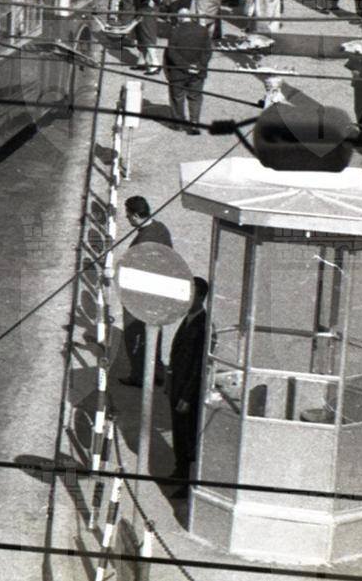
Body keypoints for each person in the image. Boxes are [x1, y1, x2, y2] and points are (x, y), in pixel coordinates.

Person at [120, 197, 174, 385]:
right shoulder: (161, 228)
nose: (127, 218)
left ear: (136, 216)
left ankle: (139, 376)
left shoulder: (144, 240)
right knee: (154, 335)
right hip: (160, 295)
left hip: (141, 297)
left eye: (128, 216)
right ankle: (156, 372)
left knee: (134, 335)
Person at [166, 278, 212, 497]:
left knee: (189, 437)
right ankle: (179, 470)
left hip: (188, 393)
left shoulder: (203, 325)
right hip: (177, 386)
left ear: (201, 297)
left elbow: (198, 366)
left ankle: (187, 484)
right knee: (179, 432)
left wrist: (186, 396)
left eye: (191, 294)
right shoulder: (188, 319)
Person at [163, 4, 213, 134]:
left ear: (179, 18)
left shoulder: (175, 31)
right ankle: (194, 123)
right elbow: (208, 52)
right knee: (195, 97)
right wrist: (198, 66)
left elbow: (171, 53)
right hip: (198, 72)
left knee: (177, 97)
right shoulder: (203, 30)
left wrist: (186, 66)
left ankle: (179, 123)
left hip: (178, 73)